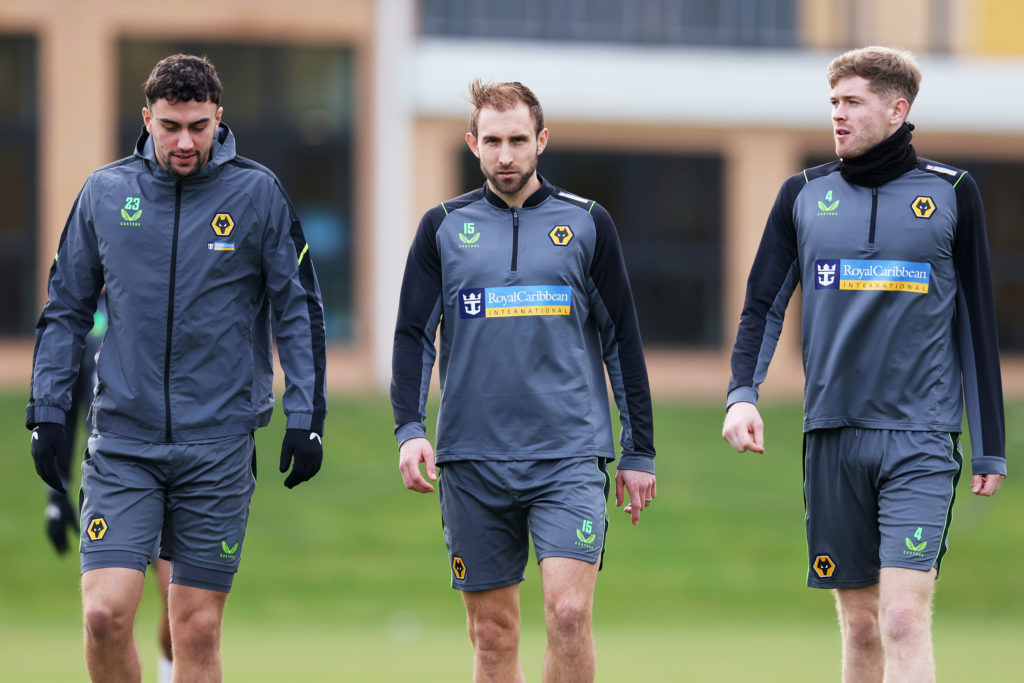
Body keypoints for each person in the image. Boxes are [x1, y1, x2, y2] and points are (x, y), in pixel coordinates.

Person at [27, 54, 327, 682]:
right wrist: (48, 413)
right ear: (146, 120)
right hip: (124, 443)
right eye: (170, 126)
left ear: (219, 118)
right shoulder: (105, 193)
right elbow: (65, 311)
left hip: (216, 447)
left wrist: (307, 415)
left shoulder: (257, 193)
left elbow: (298, 310)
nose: (185, 141)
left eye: (199, 126)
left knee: (195, 628)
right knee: (105, 616)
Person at [722, 46, 1005, 682]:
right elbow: (762, 305)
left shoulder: (953, 193)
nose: (838, 116)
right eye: (833, 104)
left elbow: (977, 324)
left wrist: (989, 447)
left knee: (903, 618)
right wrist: (743, 393)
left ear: (897, 108)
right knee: (859, 625)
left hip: (920, 438)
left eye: (852, 103)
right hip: (832, 435)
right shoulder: (802, 193)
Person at [391, 79, 657, 682]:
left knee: (567, 613)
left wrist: (639, 450)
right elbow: (412, 336)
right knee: (492, 634)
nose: (505, 155)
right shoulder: (441, 227)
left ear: (541, 140)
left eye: (517, 140)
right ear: (472, 144)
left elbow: (623, 340)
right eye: (492, 141)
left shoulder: (588, 224)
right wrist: (409, 429)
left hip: (567, 455)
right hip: (472, 459)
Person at [43, 295, 175, 683]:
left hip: (175, 472)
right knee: (105, 614)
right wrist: (56, 494)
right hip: (113, 476)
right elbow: (64, 409)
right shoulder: (84, 318)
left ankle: (169, 674)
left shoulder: (166, 296)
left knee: (179, 601)